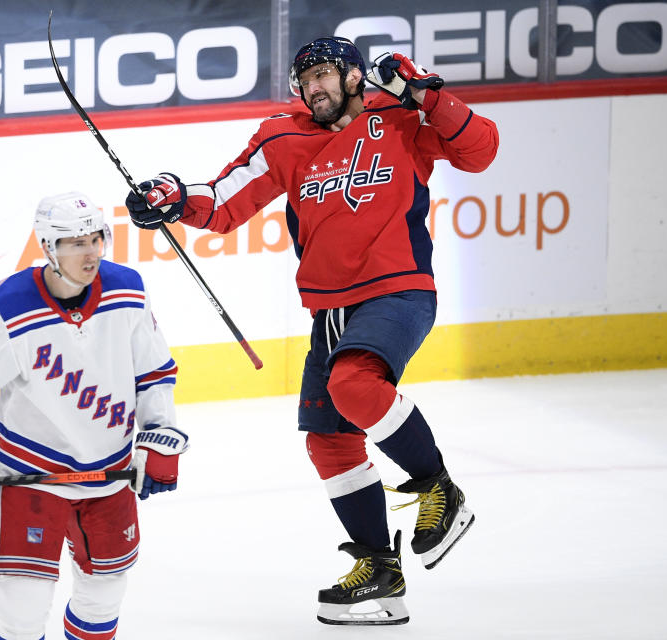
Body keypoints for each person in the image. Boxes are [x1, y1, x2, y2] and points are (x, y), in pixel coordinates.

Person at [124, 36, 498, 625]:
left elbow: (481, 151)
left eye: (324, 74)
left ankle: (438, 488)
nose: (313, 88)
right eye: (305, 81)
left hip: (399, 289)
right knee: (328, 439)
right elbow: (222, 201)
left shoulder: (400, 116)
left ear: (353, 76)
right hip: (331, 311)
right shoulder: (283, 136)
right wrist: (172, 197)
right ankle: (380, 571)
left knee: (354, 384)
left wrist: (429, 94)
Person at [0, 192, 187, 640]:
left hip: (111, 470)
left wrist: (159, 433)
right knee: (22, 610)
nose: (90, 252)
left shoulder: (127, 290)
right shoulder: (11, 307)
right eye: (74, 242)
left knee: (104, 596)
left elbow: (154, 372)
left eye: (95, 238)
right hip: (31, 474)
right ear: (48, 246)